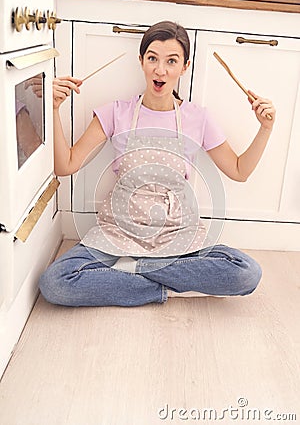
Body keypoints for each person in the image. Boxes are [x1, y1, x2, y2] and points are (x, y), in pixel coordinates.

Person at [39, 21, 276, 307]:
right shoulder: (116, 112)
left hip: (178, 233)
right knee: (56, 283)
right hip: (119, 230)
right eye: (152, 58)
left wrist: (265, 128)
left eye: (171, 61)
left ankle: (132, 272)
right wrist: (52, 108)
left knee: (246, 272)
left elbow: (239, 170)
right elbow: (66, 165)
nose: (160, 70)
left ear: (184, 67)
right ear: (141, 62)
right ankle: (164, 287)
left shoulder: (197, 118)